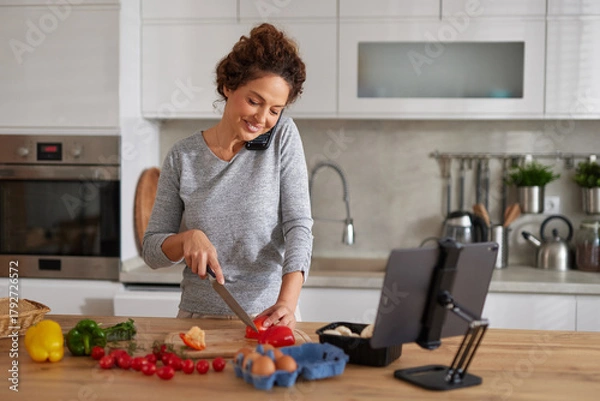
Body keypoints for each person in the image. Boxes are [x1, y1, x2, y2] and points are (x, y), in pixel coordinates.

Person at [142, 23, 313, 330]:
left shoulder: (282, 137)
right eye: (254, 101)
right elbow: (153, 251)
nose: (262, 119)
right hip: (197, 320)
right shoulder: (183, 156)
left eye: (275, 110)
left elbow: (298, 224)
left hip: (268, 318)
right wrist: (186, 239)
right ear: (228, 86)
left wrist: (287, 303)